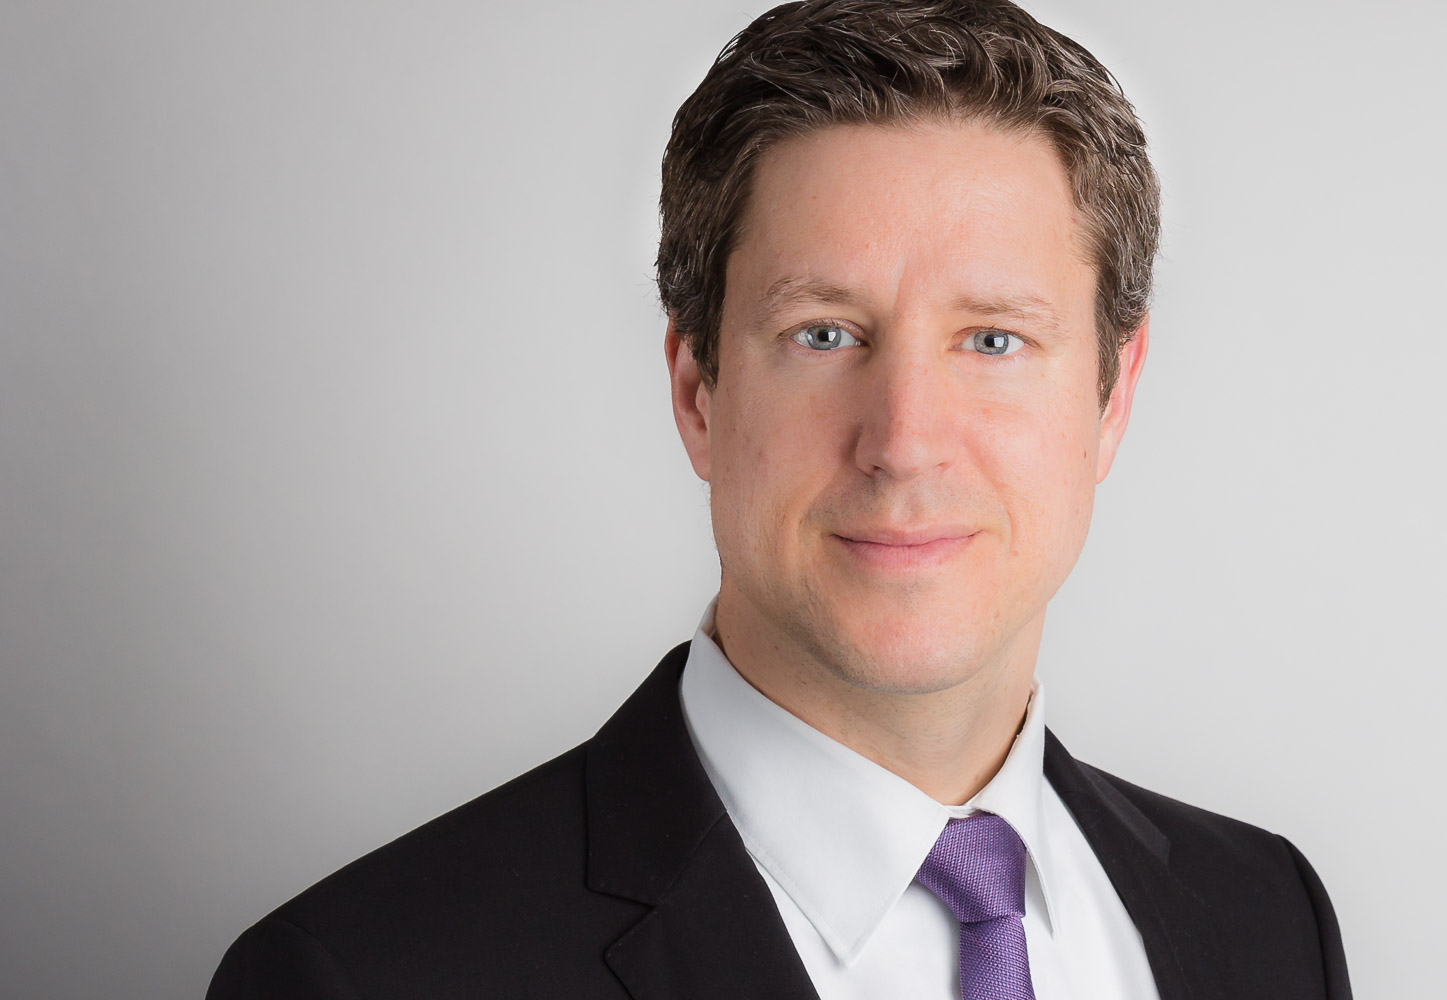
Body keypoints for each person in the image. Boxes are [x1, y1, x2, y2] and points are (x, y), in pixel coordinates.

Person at [208, 1, 1352, 997]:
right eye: (823, 334)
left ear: (1113, 396)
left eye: (994, 339)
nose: (903, 442)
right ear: (697, 391)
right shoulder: (363, 975)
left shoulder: (1268, 922)